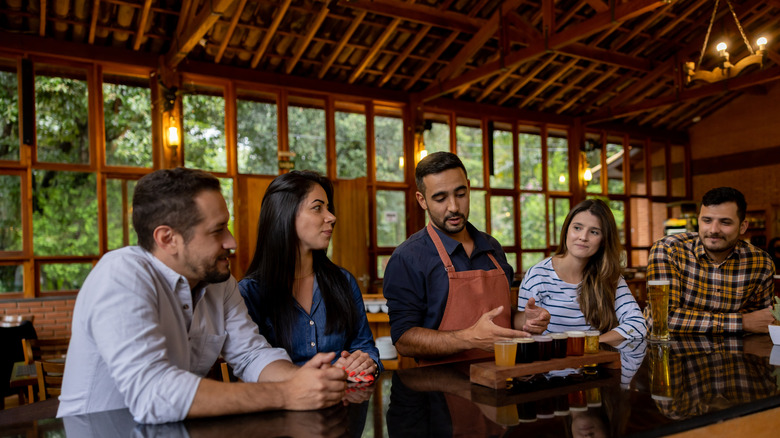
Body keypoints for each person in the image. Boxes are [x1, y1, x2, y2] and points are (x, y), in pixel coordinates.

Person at [57, 168, 346, 424]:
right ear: (168, 239)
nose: (231, 242)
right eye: (218, 230)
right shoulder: (121, 276)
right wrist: (286, 393)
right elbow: (154, 394)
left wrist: (306, 379)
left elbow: (250, 355)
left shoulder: (220, 282)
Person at [383, 152, 550, 364]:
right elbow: (404, 340)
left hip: (502, 380)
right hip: (441, 390)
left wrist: (526, 321)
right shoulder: (407, 258)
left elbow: (502, 318)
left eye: (460, 194)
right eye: (440, 198)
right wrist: (469, 339)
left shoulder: (493, 248)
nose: (453, 207)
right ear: (422, 200)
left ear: (469, 187)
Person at [239, 171, 381, 382]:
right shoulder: (250, 292)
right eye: (317, 208)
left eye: (328, 207)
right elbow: (249, 367)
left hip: (345, 407)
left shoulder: (344, 281)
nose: (331, 217)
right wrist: (328, 372)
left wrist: (366, 362)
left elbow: (364, 346)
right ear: (284, 214)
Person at [647, 187, 776, 334]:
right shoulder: (669, 250)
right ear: (698, 221)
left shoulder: (761, 263)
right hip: (676, 354)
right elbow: (661, 319)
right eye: (707, 220)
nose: (714, 229)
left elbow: (763, 322)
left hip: (736, 354)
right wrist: (742, 322)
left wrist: (688, 319)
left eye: (725, 222)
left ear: (743, 227)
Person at [518, 199, 647, 343]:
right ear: (567, 229)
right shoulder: (537, 276)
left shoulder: (609, 276)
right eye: (577, 228)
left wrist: (590, 344)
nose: (583, 237)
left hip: (594, 363)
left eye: (594, 232)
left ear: (604, 240)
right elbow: (523, 333)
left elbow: (638, 324)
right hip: (550, 362)